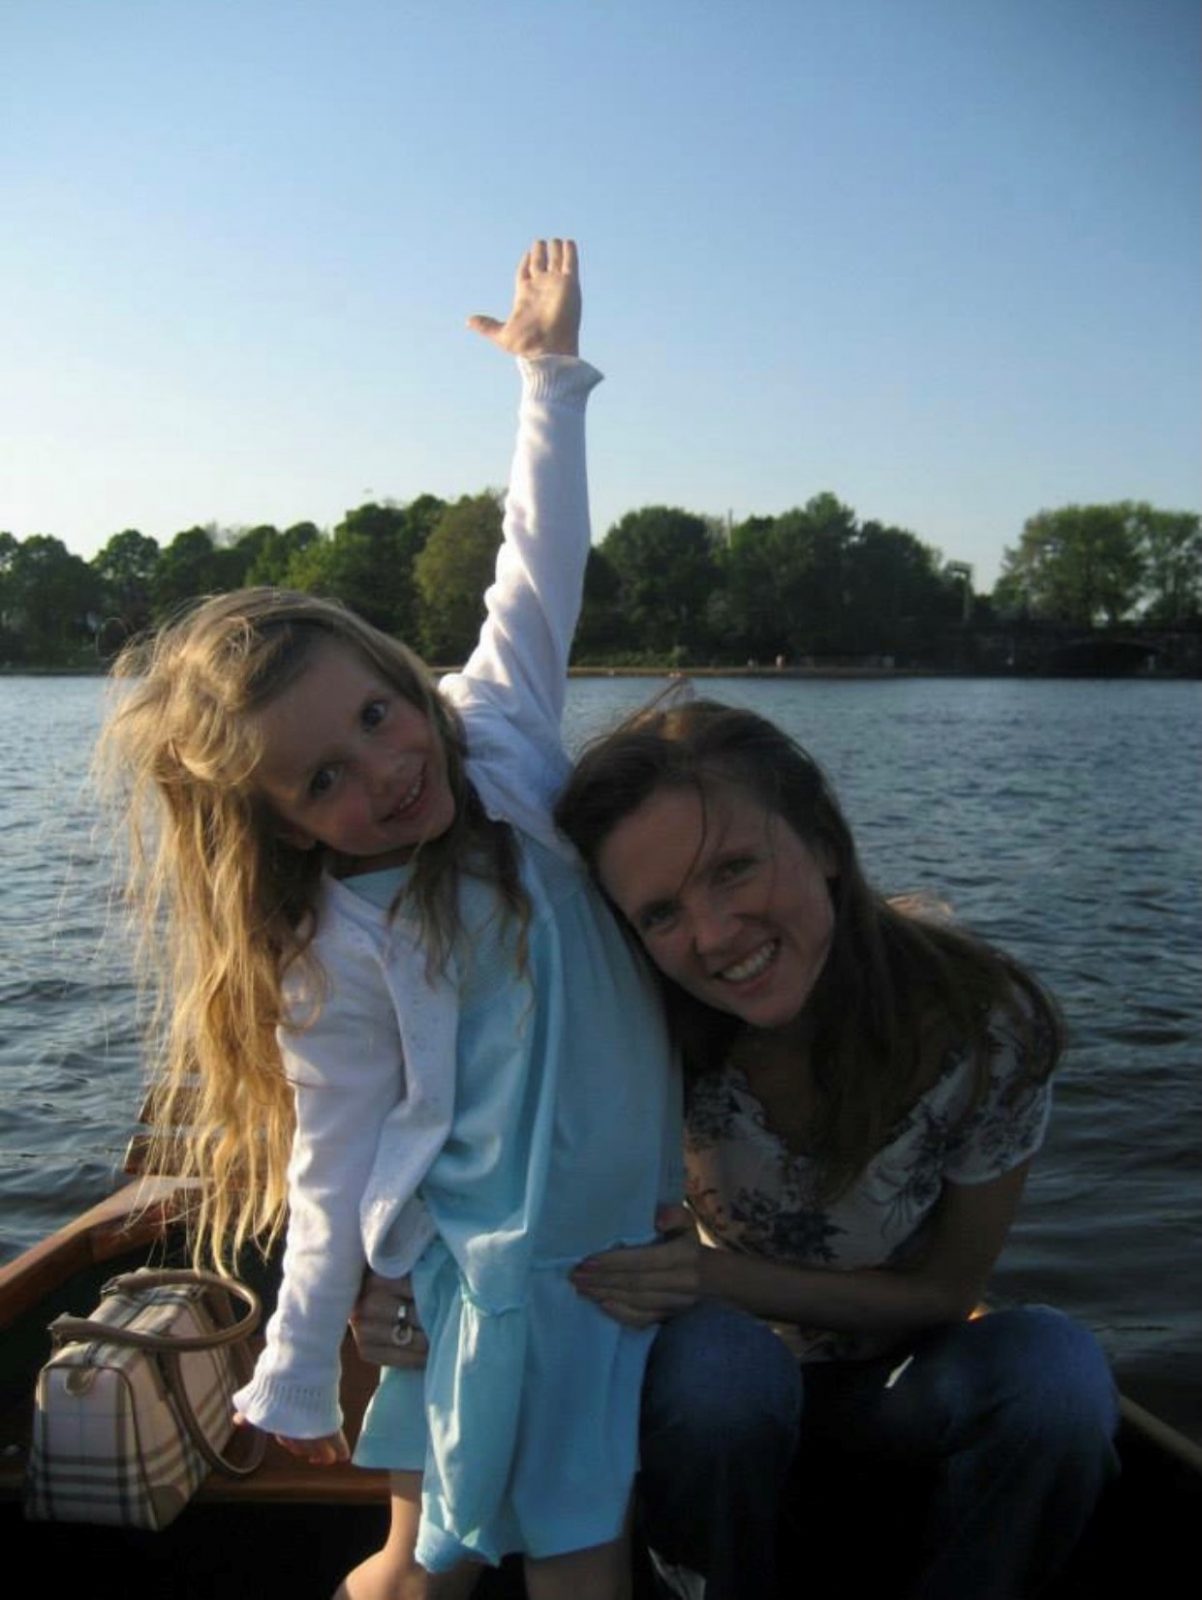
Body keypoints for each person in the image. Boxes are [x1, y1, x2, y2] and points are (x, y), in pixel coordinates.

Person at [100, 240, 680, 1600]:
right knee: (419, 1565)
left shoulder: (501, 738)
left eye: (376, 713)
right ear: (284, 826)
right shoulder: (334, 944)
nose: (382, 769)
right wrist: (300, 1362)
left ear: (401, 675)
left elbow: (535, 563)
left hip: (607, 1268)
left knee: (581, 1564)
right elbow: (334, 1152)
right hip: (471, 1281)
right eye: (323, 780)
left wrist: (547, 381)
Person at [357, 696, 1119, 1599]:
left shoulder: (982, 1025)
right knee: (724, 1374)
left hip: (903, 1382)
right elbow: (467, 1157)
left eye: (736, 868)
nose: (715, 935)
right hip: (699, 1391)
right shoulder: (629, 1028)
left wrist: (712, 1276)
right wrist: (400, 1292)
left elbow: (949, 1293)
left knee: (1057, 1376)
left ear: (824, 841)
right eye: (660, 914)